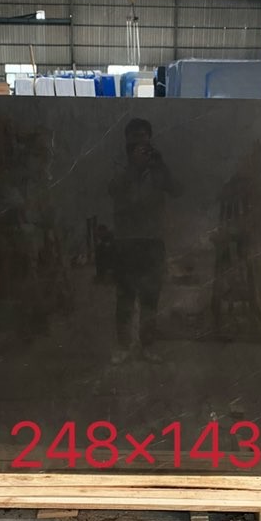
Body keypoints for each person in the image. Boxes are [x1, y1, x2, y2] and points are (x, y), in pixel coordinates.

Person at [108, 119, 183, 364]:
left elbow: (177, 190)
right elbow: (113, 190)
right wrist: (133, 167)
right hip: (126, 238)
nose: (139, 141)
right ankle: (123, 346)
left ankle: (148, 345)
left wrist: (161, 166)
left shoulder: (156, 164)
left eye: (143, 136)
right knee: (125, 295)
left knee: (151, 295)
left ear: (149, 138)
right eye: (134, 136)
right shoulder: (118, 164)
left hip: (152, 238)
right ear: (126, 139)